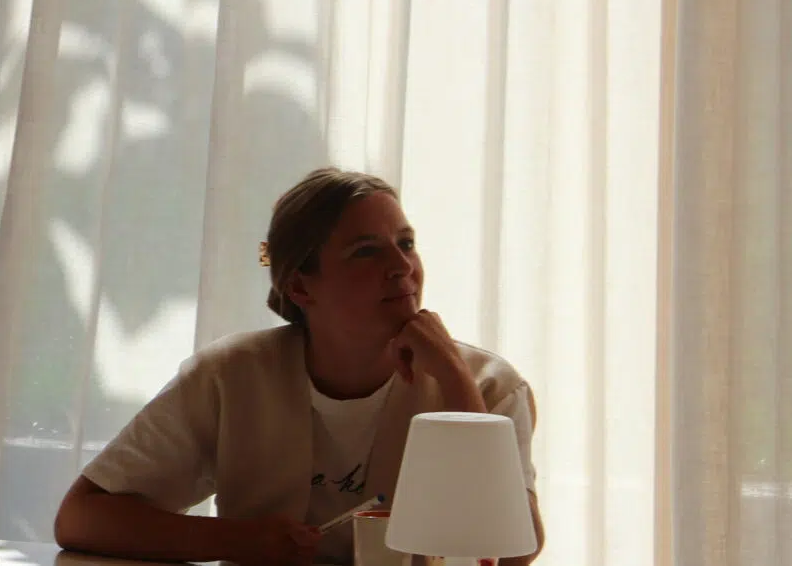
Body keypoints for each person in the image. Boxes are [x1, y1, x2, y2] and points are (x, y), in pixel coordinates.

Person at [53, 168, 544, 565]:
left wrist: (454, 378)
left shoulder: (490, 385)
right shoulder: (230, 376)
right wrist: (239, 540)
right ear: (301, 287)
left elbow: (514, 554)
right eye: (366, 251)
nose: (402, 266)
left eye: (407, 243)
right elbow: (81, 518)